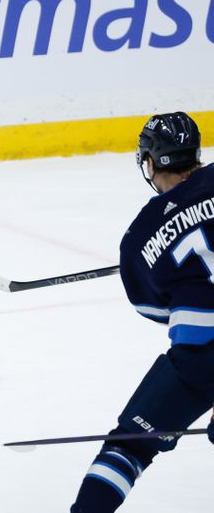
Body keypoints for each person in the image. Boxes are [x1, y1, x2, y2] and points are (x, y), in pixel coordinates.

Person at [71, 112, 214, 511]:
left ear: (150, 162)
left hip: (197, 361)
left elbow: (155, 308)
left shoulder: (138, 239)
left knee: (127, 449)